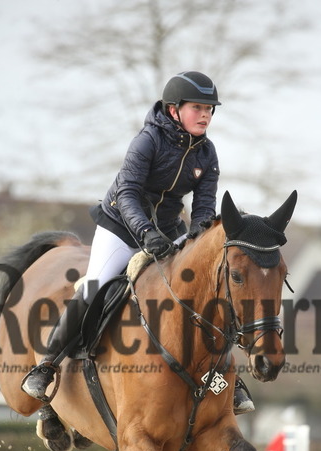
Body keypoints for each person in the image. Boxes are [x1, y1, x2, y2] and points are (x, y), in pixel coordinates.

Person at [21, 71, 254, 414]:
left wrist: (194, 240)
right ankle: (47, 366)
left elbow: (204, 209)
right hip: (121, 228)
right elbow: (127, 193)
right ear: (174, 110)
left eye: (209, 108)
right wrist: (146, 233)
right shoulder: (148, 141)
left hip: (169, 229)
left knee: (208, 292)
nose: (205, 114)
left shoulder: (207, 154)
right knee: (95, 287)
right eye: (197, 107)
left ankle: (226, 380)